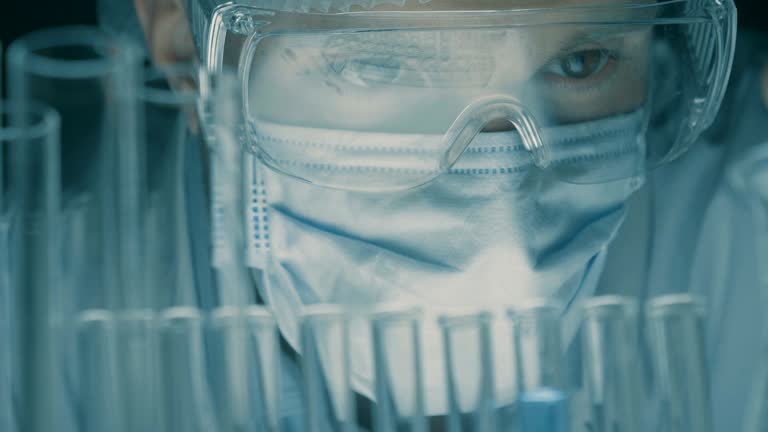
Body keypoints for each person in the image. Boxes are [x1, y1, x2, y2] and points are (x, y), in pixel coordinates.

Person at [102, 0, 757, 429]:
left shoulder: (742, 250)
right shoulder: (28, 309)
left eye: (579, 62)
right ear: (187, 51)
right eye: (380, 65)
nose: (504, 244)